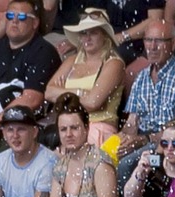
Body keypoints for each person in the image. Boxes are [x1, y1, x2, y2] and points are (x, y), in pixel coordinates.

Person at [0, 0, 60, 138]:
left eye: (21, 17)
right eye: (9, 16)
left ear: (35, 23)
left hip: (13, 129)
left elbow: (31, 99)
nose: (14, 21)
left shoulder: (43, 52)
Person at [116, 19, 175, 186]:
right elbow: (132, 121)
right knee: (104, 157)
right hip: (141, 139)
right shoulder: (142, 77)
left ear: (173, 44)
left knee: (126, 165)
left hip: (166, 146)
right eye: (148, 40)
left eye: (159, 41)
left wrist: (144, 139)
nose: (152, 47)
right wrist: (124, 139)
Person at [44, 8, 125, 145]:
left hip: (98, 127)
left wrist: (63, 94)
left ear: (104, 36)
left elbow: (93, 103)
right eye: (83, 33)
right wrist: (81, 93)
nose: (87, 37)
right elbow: (48, 92)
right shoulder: (71, 61)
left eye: (93, 32)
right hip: (67, 126)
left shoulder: (113, 63)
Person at [47, 93, 116, 197]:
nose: (68, 134)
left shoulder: (100, 161)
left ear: (86, 128)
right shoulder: (60, 166)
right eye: (63, 129)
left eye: (74, 128)